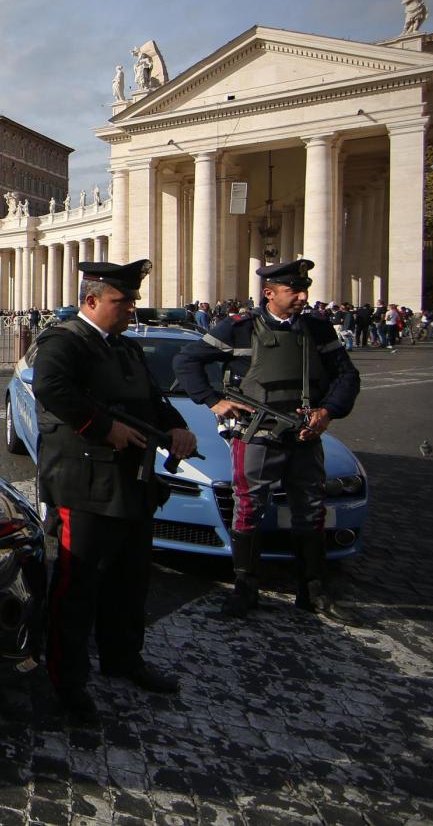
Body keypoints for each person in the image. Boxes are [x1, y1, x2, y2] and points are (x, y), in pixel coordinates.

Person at [33, 259, 195, 727]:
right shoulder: (63, 341)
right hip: (82, 483)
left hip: (131, 481)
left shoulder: (125, 348)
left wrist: (177, 427)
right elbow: (51, 389)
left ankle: (124, 658)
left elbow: (152, 398)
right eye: (121, 302)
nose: (130, 311)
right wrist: (105, 428)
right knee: (76, 587)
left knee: (130, 580)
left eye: (131, 302)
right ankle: (67, 679)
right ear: (91, 301)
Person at [172, 259, 361, 622]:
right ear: (269, 293)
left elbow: (347, 375)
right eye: (295, 291)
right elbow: (187, 361)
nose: (304, 297)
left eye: (305, 289)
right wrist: (213, 400)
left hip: (305, 432)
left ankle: (313, 590)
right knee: (249, 507)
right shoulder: (238, 328)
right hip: (256, 433)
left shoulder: (318, 330)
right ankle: (245, 588)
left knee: (311, 509)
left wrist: (328, 412)